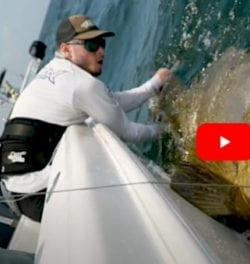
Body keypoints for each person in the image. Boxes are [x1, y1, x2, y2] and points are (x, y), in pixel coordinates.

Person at [0, 15, 170, 222]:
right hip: (39, 196)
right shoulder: (82, 84)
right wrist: (165, 130)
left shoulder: (53, 71)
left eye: (101, 43)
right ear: (66, 49)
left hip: (16, 192)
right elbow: (128, 131)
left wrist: (153, 86)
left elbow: (110, 103)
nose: (101, 51)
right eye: (91, 44)